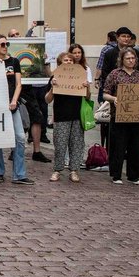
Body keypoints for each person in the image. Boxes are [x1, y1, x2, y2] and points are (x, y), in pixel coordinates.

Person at [0, 34, 33, 185]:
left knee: (20, 137)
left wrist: (14, 100)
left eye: (6, 44)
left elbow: (18, 84)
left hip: (12, 105)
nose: (5, 47)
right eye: (2, 44)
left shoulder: (14, 61)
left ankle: (19, 174)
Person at [102, 46, 139, 185]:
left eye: (133, 58)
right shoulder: (115, 74)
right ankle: (116, 175)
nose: (131, 60)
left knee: (137, 146)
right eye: (128, 58)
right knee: (118, 146)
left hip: (136, 116)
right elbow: (105, 93)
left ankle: (134, 175)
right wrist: (113, 99)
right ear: (122, 60)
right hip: (119, 115)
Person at [46, 48, 91, 183]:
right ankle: (57, 170)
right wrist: (53, 87)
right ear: (60, 64)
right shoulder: (55, 78)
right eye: (65, 60)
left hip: (77, 115)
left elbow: (88, 97)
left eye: (71, 60)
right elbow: (47, 99)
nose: (68, 62)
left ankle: (74, 170)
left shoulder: (81, 77)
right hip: (61, 115)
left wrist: (86, 87)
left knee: (77, 144)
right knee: (60, 144)